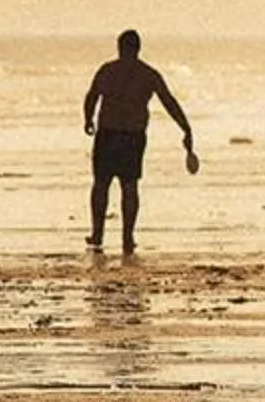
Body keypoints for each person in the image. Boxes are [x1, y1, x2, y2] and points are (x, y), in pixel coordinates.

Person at [81, 29, 197, 253]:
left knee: (101, 184)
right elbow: (169, 101)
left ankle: (97, 234)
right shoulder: (148, 74)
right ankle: (127, 236)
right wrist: (185, 127)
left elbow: (92, 95)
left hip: (108, 134)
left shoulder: (108, 70)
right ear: (138, 48)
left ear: (119, 47)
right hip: (132, 137)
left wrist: (88, 119)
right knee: (129, 186)